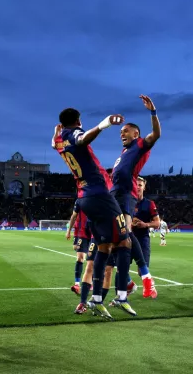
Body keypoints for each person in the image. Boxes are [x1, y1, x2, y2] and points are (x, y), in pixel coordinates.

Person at [52, 109, 136, 319]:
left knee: (104, 247)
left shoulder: (60, 141)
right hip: (99, 194)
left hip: (84, 198)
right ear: (78, 120)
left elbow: (54, 144)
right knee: (125, 242)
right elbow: (82, 139)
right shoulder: (74, 134)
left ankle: (96, 301)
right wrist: (104, 124)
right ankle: (122, 297)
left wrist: (55, 133)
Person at [110, 95, 161, 302]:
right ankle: (128, 283)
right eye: (121, 131)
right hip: (114, 195)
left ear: (136, 134)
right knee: (117, 240)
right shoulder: (123, 152)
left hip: (125, 195)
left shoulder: (140, 145)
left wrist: (153, 112)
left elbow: (156, 134)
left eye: (125, 131)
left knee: (125, 233)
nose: (122, 133)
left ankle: (146, 278)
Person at [131, 177, 160, 267]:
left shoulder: (149, 204)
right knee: (122, 270)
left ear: (144, 188)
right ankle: (128, 282)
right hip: (127, 239)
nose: (138, 187)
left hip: (142, 240)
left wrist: (145, 224)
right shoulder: (127, 202)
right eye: (136, 185)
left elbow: (157, 223)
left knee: (143, 270)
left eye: (140, 185)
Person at [66, 200, 91, 295]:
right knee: (80, 257)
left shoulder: (99, 197)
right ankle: (77, 284)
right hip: (82, 232)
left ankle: (91, 281)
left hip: (95, 231)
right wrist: (69, 231)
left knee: (93, 259)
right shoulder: (80, 200)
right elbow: (74, 216)